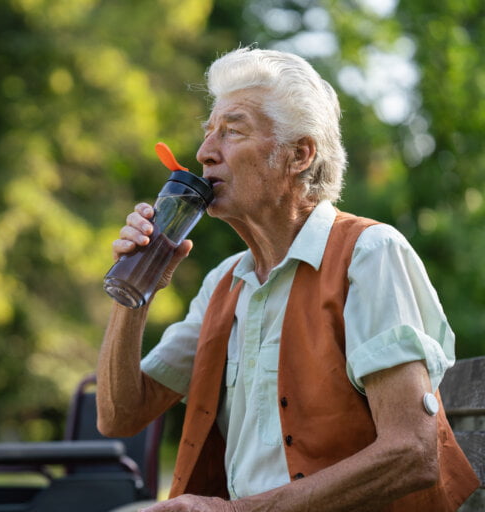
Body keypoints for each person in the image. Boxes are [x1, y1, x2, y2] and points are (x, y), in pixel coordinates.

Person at [96, 47, 479, 512]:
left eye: (232, 131)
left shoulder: (370, 255)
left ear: (299, 155)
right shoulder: (225, 283)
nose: (204, 153)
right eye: (208, 132)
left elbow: (414, 455)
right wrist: (135, 284)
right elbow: (119, 416)